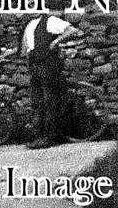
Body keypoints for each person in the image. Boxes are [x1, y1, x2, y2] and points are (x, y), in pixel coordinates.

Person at [21, 13, 82, 149]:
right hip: (35, 64)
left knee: (50, 99)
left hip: (48, 63)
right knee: (38, 100)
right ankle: (41, 136)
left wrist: (56, 41)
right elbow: (25, 47)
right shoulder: (30, 24)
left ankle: (51, 137)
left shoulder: (50, 21)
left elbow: (72, 30)